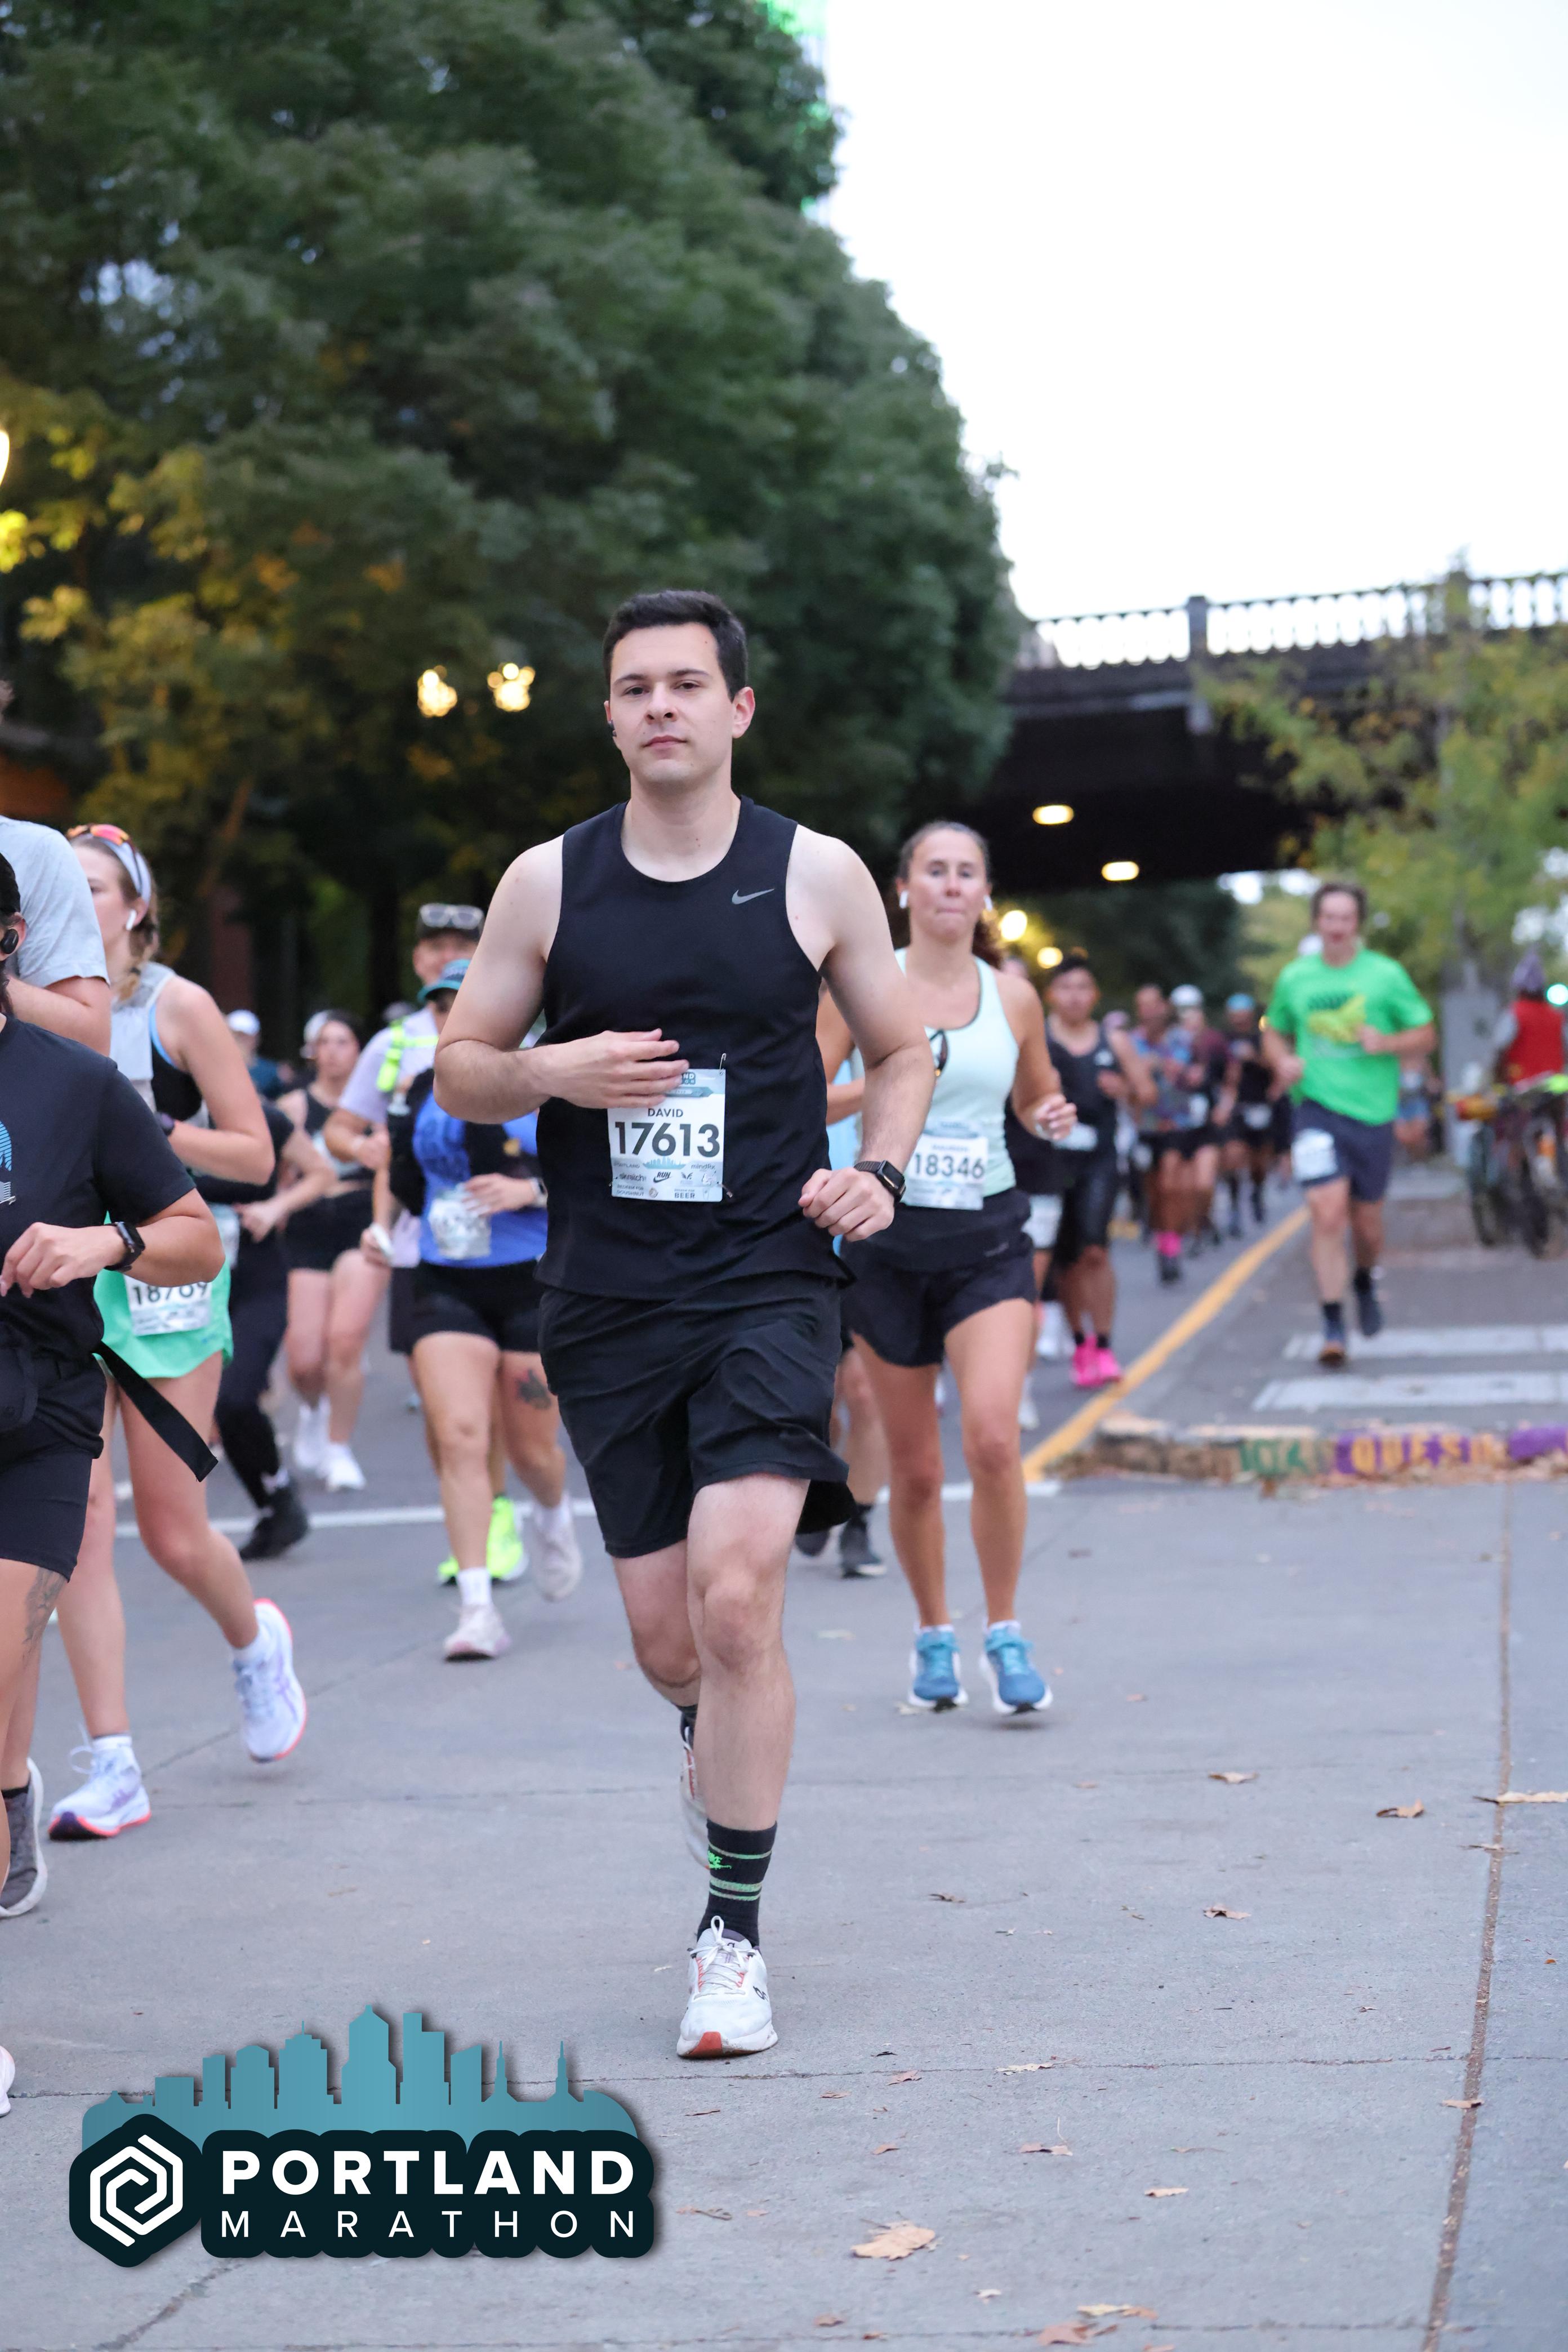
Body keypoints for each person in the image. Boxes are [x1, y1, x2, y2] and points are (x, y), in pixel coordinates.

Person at [434, 587, 936, 2060]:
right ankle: (711, 1744)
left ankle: (732, 1940)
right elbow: (460, 1067)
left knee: (735, 1598)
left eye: (687, 683)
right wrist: (554, 1070)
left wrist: (879, 1173)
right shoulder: (549, 884)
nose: (661, 704)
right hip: (606, 1298)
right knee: (671, 1646)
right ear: (609, 715)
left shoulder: (815, 872)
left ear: (738, 709)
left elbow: (903, 1049)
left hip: (769, 1279)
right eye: (636, 686)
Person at [17, 826, 306, 1848]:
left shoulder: (174, 1007)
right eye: (61, 887)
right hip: (58, 1280)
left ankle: (253, 1638)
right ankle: (113, 1762)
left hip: (163, 1274)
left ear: (136, 908)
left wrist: (149, 1134)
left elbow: (258, 1155)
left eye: (94, 887)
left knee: (177, 1532)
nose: (74, 902)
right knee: (77, 1531)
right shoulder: (25, 1005)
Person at [0, 850, 227, 1949]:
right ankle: (12, 1784)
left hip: (36, 1409)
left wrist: (104, 1243)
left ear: (10, 944)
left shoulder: (74, 1084)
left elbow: (196, 1240)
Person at [817, 819, 1072, 1720]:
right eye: (935, 870)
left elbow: (1035, 1092)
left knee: (994, 1439)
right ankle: (933, 1633)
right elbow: (807, 1094)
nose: (952, 885)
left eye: (968, 872)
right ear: (904, 889)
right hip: (885, 1243)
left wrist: (1049, 1114)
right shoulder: (860, 984)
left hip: (988, 1239)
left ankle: (1005, 1629)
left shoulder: (1016, 997)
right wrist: (895, 1076)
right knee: (916, 1469)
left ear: (985, 893)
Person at [321, 906, 525, 1585]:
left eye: (463, 945)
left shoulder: (516, 1032)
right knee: (448, 1414)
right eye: (436, 947)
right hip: (417, 1243)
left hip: (506, 1244)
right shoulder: (395, 1044)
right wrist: (368, 1148)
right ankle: (476, 1521)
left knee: (496, 1404)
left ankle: (498, 1513)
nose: (447, 957)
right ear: (417, 961)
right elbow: (341, 1129)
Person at [387, 959, 582, 1659]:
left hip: (532, 1277)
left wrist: (529, 1192)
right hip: (445, 1277)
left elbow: (596, 1177)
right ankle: (477, 1609)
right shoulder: (422, 1086)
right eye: (440, 1007)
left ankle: (553, 1515)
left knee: (534, 1450)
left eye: (462, 1003)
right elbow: (400, 1173)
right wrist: (392, 1223)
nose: (450, 1017)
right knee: (461, 1436)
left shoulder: (550, 1079)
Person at [1264, 880, 1435, 1367]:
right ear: (1317, 922)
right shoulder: (1296, 977)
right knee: (1327, 1214)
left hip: (1372, 1113)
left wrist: (1388, 1043)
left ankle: (1364, 1278)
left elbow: (1426, 1033)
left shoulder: (1385, 975)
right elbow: (1274, 1030)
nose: (1337, 926)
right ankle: (1333, 1324)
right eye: (1329, 917)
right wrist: (1281, 1060)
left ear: (1358, 923)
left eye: (1346, 918)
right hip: (1315, 1109)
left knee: (1367, 1226)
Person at [207, 1097, 336, 1561]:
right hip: (186, 1287)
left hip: (256, 1281)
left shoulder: (258, 1115)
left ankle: (277, 1494)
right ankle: (273, 1503)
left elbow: (321, 1173)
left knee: (235, 1397)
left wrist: (276, 1207)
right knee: (214, 1411)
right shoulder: (154, 1111)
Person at [275, 1011, 384, 1492]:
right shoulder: (295, 1106)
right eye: (325, 1042)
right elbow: (277, 1175)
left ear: (359, 1050)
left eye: (344, 1041)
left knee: (345, 1340)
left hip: (360, 1220)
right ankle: (313, 1409)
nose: (334, 1051)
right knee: (304, 1358)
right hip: (309, 1224)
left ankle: (339, 1448)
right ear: (312, 1051)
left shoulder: (378, 1105)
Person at [794, 1043, 889, 1574]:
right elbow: (806, 1099)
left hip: (875, 1245)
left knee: (868, 1395)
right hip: (807, 1239)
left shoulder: (917, 1030)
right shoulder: (820, 1021)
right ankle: (817, 1483)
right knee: (819, 1399)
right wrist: (896, 1080)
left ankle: (859, 1522)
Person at [1037, 951, 1152, 1387]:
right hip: (1050, 1159)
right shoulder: (1037, 1038)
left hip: (1099, 1159)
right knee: (1065, 1259)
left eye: (1082, 988)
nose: (1074, 996)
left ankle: (1104, 1344)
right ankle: (1080, 1341)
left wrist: (1125, 1089)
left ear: (1095, 995)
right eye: (1066, 988)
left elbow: (1147, 1093)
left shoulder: (1114, 1041)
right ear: (1052, 994)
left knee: (1095, 1251)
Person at [1168, 984, 1231, 1252]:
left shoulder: (1214, 1041)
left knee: (1204, 1184)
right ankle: (1195, 1232)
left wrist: (1225, 1106)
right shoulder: (1169, 1042)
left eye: (1192, 1009)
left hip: (1206, 1124)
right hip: (1178, 1124)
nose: (1188, 1015)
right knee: (1184, 1189)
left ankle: (1204, 1222)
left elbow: (1231, 1076)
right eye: (1182, 1010)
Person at [1218, 992, 1280, 1233]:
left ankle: (1257, 1191)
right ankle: (1234, 1205)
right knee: (1233, 1157)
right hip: (1236, 1107)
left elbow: (1275, 1067)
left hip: (1259, 1106)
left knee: (1259, 1161)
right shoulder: (1224, 1040)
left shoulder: (1262, 1039)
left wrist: (1254, 1058)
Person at [1495, 951, 1565, 1087]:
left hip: (1523, 1087)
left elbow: (1500, 1049)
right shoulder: (1558, 1016)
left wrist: (1499, 1081)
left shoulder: (1515, 1013)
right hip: (1556, 1087)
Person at [225, 1008, 286, 1099]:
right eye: (235, 1036)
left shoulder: (272, 1072)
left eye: (244, 1036)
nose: (239, 1041)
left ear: (256, 1038)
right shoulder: (217, 1069)